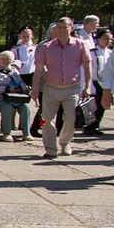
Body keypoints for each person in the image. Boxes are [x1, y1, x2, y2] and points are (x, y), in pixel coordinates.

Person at [33, 17, 92, 158]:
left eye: (64, 27)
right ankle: (50, 149)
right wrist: (35, 89)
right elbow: (39, 70)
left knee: (71, 118)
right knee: (46, 120)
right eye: (58, 28)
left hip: (72, 88)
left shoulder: (81, 45)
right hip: (50, 88)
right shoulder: (45, 47)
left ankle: (65, 142)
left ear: (71, 28)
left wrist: (88, 86)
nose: (61, 30)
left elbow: (87, 66)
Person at [0, 50, 31, 142]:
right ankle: (6, 133)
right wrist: (7, 88)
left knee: (26, 107)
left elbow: (22, 84)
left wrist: (19, 88)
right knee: (7, 107)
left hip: (13, 98)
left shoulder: (14, 71)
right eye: (3, 59)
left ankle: (26, 133)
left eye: (8, 59)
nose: (5, 61)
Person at [84, 27, 110, 136]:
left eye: (110, 39)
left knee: (103, 106)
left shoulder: (110, 52)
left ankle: (96, 126)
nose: (108, 41)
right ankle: (89, 126)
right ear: (99, 39)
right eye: (106, 39)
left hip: (106, 82)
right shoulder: (93, 53)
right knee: (94, 106)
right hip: (96, 82)